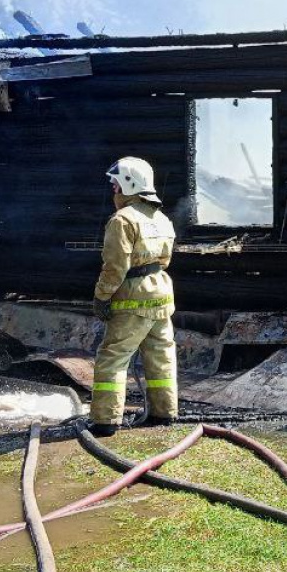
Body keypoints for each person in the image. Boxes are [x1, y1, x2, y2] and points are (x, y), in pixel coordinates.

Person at [88, 156, 178, 437]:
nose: (113, 190)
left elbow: (115, 266)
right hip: (161, 295)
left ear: (130, 184)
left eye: (116, 185)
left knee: (113, 357)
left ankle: (105, 420)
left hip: (132, 298)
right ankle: (164, 413)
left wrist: (101, 297)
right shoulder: (162, 219)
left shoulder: (122, 220)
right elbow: (164, 261)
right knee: (160, 356)